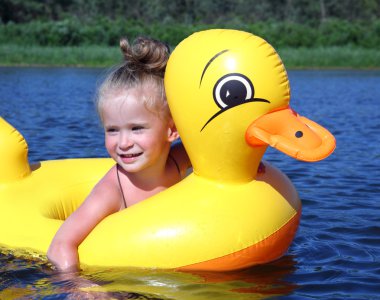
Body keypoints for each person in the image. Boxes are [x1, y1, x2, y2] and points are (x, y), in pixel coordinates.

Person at [47, 36, 190, 272]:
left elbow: (215, 153)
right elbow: (61, 244)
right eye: (112, 130)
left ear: (171, 130)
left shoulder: (178, 160)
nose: (123, 143)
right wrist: (77, 287)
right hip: (121, 279)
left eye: (136, 128)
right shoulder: (113, 190)